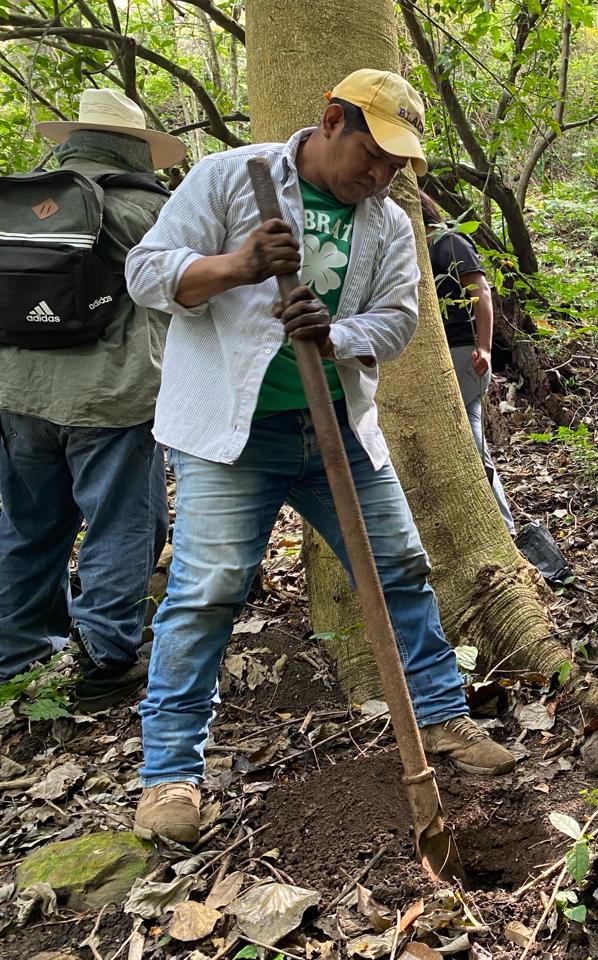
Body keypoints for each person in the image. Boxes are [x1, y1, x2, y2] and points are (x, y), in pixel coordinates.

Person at [125, 69, 515, 844]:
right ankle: (170, 773)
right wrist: (235, 267)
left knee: (400, 564)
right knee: (207, 592)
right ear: (332, 119)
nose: (380, 175)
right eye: (372, 154)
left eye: (397, 165)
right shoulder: (231, 178)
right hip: (231, 437)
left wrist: (332, 337)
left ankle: (440, 719)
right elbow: (144, 272)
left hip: (334, 425)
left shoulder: (390, 221)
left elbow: (400, 320)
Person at [0, 90, 182, 709]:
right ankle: (105, 662)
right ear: (135, 148)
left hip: (17, 394)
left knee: (30, 526)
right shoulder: (150, 210)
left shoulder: (20, 197)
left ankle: (17, 655)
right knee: (122, 523)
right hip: (112, 396)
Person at [419, 191, 516, 534]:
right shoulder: (418, 247)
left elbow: (482, 292)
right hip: (445, 354)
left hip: (463, 354)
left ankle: (498, 528)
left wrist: (485, 347)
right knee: (472, 444)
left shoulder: (447, 242)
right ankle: (504, 527)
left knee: (467, 447)